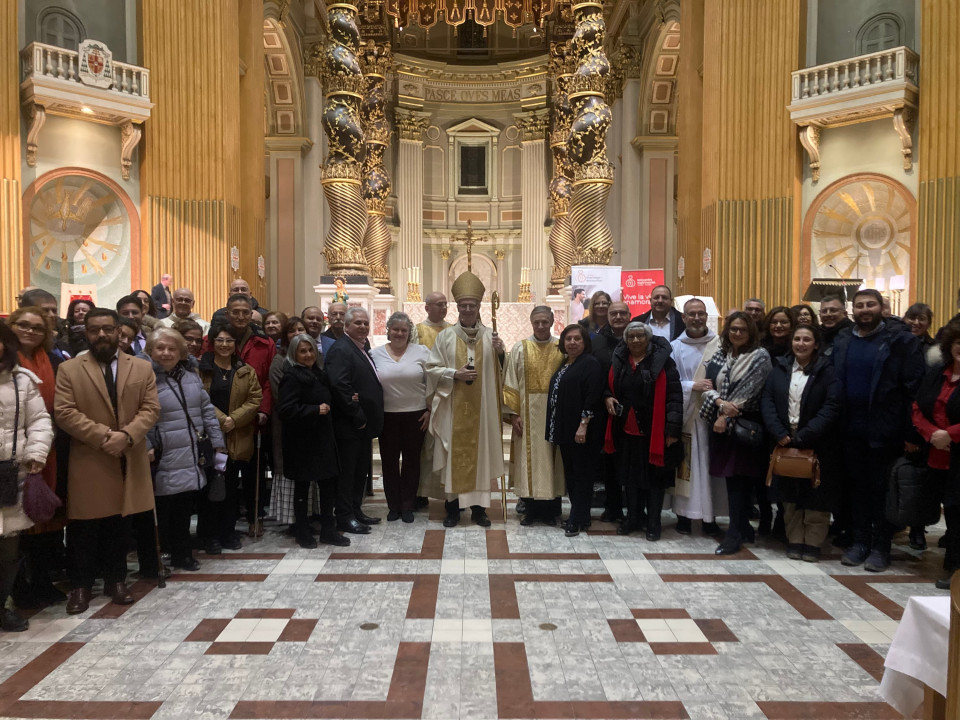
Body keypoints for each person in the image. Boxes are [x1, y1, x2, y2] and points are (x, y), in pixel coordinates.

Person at [54, 309, 161, 614]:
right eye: (94, 330)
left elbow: (151, 409)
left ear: (118, 332)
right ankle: (81, 586)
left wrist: (126, 436)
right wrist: (104, 436)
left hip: (128, 454)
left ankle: (116, 581)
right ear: (84, 333)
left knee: (119, 525)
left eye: (107, 329)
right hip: (90, 456)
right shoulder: (70, 369)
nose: (101, 335)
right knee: (84, 528)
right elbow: (64, 412)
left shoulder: (141, 367)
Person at [832, 288, 925, 572]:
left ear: (881, 308)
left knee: (881, 490)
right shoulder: (843, 340)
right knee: (857, 489)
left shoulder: (901, 341)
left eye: (870, 305)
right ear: (853, 310)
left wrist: (912, 433)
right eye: (859, 306)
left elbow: (914, 390)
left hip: (886, 430)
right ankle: (860, 542)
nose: (864, 310)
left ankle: (881, 547)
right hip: (850, 429)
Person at [426, 271, 505, 528]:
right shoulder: (445, 337)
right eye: (464, 305)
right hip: (452, 407)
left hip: (481, 412)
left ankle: (479, 510)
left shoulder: (490, 337)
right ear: (457, 307)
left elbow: (500, 373)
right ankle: (452, 509)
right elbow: (431, 368)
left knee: (479, 457)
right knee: (453, 456)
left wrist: (500, 352)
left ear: (479, 307)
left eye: (472, 305)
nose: (468, 309)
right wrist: (454, 374)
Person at [760, 324, 840, 562]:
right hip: (784, 440)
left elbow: (832, 406)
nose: (801, 344)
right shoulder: (780, 369)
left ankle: (813, 542)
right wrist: (778, 432)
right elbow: (768, 401)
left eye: (807, 340)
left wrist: (805, 435)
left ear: (816, 344)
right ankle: (794, 539)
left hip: (818, 441)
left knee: (816, 496)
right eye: (797, 339)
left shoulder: (828, 371)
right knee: (790, 495)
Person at [146, 328, 225, 570]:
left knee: (183, 506)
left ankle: (183, 553)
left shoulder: (191, 376)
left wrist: (217, 440)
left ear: (182, 353)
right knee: (162, 507)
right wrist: (148, 445)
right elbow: (139, 416)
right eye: (160, 348)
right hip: (163, 452)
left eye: (172, 348)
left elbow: (206, 411)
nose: (166, 353)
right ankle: (160, 553)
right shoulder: (144, 378)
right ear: (150, 351)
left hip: (190, 451)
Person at [6, 308, 68, 608]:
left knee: (44, 516)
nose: (30, 332)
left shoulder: (54, 361)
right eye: (23, 325)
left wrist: (39, 447)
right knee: (12, 527)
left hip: (46, 451)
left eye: (37, 328)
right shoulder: (6, 364)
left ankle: (42, 581)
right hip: (9, 457)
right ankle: (17, 590)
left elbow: (46, 414)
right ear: (10, 327)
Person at [700, 311, 772, 555]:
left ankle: (734, 535)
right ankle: (742, 528)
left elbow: (750, 391)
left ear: (751, 331)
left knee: (741, 482)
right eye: (733, 329)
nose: (737, 333)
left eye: (742, 329)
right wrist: (720, 405)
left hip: (744, 425)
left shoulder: (759, 356)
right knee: (732, 480)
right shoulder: (722, 354)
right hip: (722, 424)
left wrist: (725, 413)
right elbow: (708, 387)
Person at [604, 322, 682, 540]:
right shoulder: (620, 360)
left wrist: (672, 429)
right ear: (626, 341)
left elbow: (675, 397)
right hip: (626, 430)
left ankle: (653, 522)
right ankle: (633, 518)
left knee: (654, 479)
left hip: (653, 430)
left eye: (640, 336)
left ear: (648, 339)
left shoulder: (663, 362)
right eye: (632, 337)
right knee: (629, 478)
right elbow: (609, 386)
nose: (636, 341)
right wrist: (608, 396)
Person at [0, 322, 54, 631]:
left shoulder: (21, 380)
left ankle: (2, 606)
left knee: (8, 551)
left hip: (11, 471)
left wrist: (36, 454)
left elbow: (39, 421)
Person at [279, 334, 349, 548]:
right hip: (302, 442)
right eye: (302, 351)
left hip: (323, 440)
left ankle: (329, 529)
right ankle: (302, 531)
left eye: (310, 350)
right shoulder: (291, 376)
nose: (308, 355)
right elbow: (286, 409)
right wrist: (314, 410)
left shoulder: (318, 374)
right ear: (294, 354)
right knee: (302, 488)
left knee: (328, 485)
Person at [198, 324, 262, 554]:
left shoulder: (245, 370)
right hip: (209, 439)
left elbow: (255, 399)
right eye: (220, 340)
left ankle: (228, 532)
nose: (224, 345)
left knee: (231, 488)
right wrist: (221, 419)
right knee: (210, 489)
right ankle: (209, 535)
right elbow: (199, 398)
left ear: (235, 345)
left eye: (229, 341)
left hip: (236, 437)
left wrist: (233, 420)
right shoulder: (201, 369)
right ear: (212, 342)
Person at [216, 294, 275, 535]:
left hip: (253, 418)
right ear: (228, 313)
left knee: (254, 474)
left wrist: (263, 410)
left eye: (245, 312)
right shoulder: (218, 339)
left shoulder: (265, 343)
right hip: (223, 419)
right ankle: (226, 523)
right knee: (225, 474)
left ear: (252, 314)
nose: (240, 316)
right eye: (235, 312)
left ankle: (254, 517)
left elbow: (269, 381)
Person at [325, 307, 384, 534]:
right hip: (349, 424)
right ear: (347, 326)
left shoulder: (360, 347)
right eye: (357, 323)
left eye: (365, 323)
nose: (362, 327)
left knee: (360, 471)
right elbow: (340, 385)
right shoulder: (342, 349)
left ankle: (356, 510)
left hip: (361, 425)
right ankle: (344, 516)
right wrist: (356, 413)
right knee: (348, 473)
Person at [503, 307, 564, 526]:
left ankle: (550, 512)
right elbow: (510, 382)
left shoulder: (562, 347)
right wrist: (514, 414)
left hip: (554, 415)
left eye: (545, 322)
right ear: (531, 322)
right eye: (537, 322)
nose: (540, 326)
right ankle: (529, 510)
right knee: (528, 462)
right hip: (526, 417)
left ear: (552, 322)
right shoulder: (520, 348)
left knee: (551, 462)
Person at [671, 298, 725, 536]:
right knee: (686, 469)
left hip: (713, 417)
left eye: (700, 314)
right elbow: (671, 382)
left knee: (709, 470)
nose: (696, 318)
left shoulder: (720, 345)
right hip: (687, 417)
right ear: (683, 317)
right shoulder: (675, 347)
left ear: (706, 316)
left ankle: (709, 518)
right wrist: (692, 385)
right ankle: (683, 516)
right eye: (691, 314)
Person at [912, 320, 960, 589]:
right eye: (958, 343)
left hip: (955, 451)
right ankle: (952, 563)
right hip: (937, 455)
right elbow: (918, 407)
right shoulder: (937, 373)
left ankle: (956, 570)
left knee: (958, 513)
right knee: (949, 513)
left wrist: (950, 435)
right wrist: (932, 434)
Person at [371, 312, 430, 522]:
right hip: (387, 416)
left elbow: (432, 381)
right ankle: (393, 505)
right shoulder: (375, 354)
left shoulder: (422, 352)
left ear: (409, 332)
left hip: (416, 415)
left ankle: (408, 505)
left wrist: (429, 410)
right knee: (389, 462)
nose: (399, 333)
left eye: (403, 330)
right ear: (388, 331)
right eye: (395, 329)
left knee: (412, 462)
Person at [546, 324, 603, 536]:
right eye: (568, 339)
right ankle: (583, 516)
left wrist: (583, 425)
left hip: (581, 431)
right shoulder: (565, 363)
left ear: (584, 342)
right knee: (572, 475)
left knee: (582, 476)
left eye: (577, 339)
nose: (572, 343)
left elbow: (592, 396)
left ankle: (576, 519)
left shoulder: (590, 364)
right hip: (566, 429)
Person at [591, 301, 632, 522]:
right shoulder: (598, 342)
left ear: (629, 316)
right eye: (613, 313)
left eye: (622, 313)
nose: (618, 317)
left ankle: (635, 509)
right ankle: (613, 506)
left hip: (633, 408)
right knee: (609, 459)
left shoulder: (638, 336)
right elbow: (595, 372)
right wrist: (606, 394)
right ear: (607, 316)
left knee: (632, 459)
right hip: (604, 407)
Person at [410, 292, 451, 506]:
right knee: (424, 449)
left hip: (448, 395)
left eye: (445, 304)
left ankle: (447, 493)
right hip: (424, 396)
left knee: (445, 446)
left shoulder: (453, 330)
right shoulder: (417, 331)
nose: (444, 308)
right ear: (427, 307)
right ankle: (421, 492)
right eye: (439, 304)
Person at [268, 317, 308, 531]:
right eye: (292, 331)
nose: (297, 333)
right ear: (285, 337)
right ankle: (292, 518)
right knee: (289, 468)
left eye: (301, 329)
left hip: (308, 424)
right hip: (287, 424)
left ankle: (306, 515)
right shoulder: (279, 360)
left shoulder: (310, 357)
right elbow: (279, 396)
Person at [20, 288, 70, 360]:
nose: (52, 315)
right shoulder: (19, 347)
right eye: (45, 310)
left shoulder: (63, 345)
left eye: (54, 311)